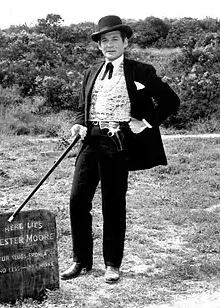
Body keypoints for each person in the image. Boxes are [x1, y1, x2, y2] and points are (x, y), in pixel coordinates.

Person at [60, 15, 180, 283]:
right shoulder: (91, 72)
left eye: (115, 39)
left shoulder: (141, 71)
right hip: (91, 140)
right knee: (77, 200)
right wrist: (79, 125)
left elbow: (171, 101)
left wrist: (146, 123)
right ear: (99, 45)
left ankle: (112, 264)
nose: (109, 44)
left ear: (125, 42)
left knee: (113, 203)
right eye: (104, 40)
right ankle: (81, 261)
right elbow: (83, 107)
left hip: (118, 143)